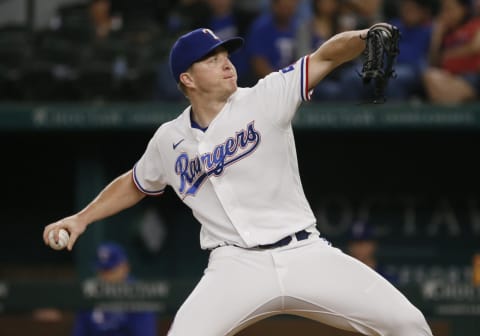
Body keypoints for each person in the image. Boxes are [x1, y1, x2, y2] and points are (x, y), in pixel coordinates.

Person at [44, 25, 433, 335]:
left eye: (226, 55)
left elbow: (326, 55)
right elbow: (134, 182)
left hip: (304, 253)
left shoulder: (265, 97)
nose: (226, 63)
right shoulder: (169, 139)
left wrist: (364, 37)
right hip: (234, 266)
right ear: (187, 79)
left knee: (409, 324)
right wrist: (81, 219)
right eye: (211, 60)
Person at [71, 242, 157, 336]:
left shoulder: (138, 294)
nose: (105, 276)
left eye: (110, 271)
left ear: (125, 267)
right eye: (102, 271)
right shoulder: (91, 294)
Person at [422, 0, 480, 104]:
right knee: (430, 76)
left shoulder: (475, 24)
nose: (446, 14)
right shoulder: (446, 32)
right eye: (444, 10)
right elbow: (434, 62)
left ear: (463, 9)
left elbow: (475, 47)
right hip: (449, 77)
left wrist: (448, 54)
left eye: (450, 9)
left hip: (471, 77)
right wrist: (437, 36)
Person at [346, 220, 397, 284]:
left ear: (373, 245)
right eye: (354, 243)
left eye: (362, 243)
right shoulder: (344, 274)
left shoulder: (386, 276)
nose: (357, 248)